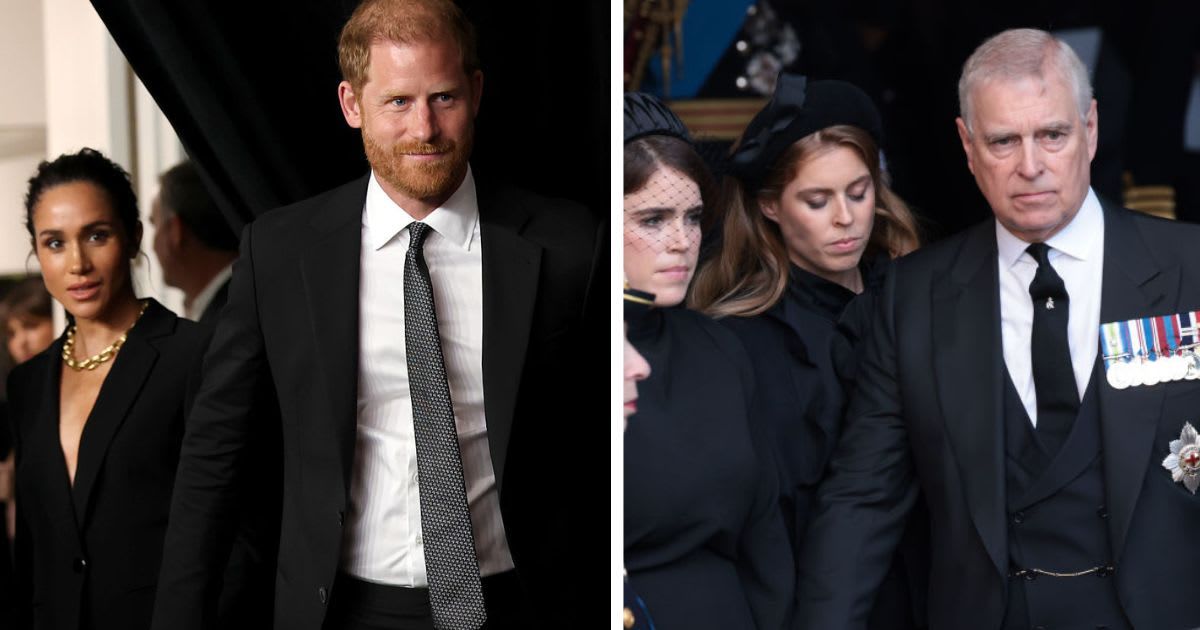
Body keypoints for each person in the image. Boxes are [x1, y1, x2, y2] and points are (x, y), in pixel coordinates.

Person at [151, 1, 602, 628]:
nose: (425, 129)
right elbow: (216, 453)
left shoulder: (570, 243)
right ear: (351, 104)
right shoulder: (282, 252)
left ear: (476, 90)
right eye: (397, 102)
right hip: (345, 609)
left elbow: (601, 446)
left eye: (443, 97)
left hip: (522, 604)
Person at [795, 28, 1200, 630]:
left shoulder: (1190, 267)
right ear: (966, 145)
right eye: (1004, 141)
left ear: (1090, 128)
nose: (1030, 166)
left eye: (1052, 135)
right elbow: (863, 500)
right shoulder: (914, 297)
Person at [689, 74, 926, 630]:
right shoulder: (742, 341)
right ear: (771, 206)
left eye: (859, 192)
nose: (846, 219)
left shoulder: (922, 298)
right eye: (817, 201)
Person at [5, 148, 211, 630]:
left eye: (96, 235)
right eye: (54, 243)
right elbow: (32, 551)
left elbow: (239, 531)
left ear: (133, 236)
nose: (77, 263)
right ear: (38, 254)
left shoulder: (194, 354)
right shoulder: (27, 384)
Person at [623, 90, 792, 630]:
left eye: (693, 217)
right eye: (652, 219)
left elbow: (767, 538)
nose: (681, 241)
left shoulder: (721, 349)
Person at [148, 160, 238, 324]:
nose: (152, 246)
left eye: (155, 224)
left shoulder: (225, 321)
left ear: (176, 231)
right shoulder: (248, 292)